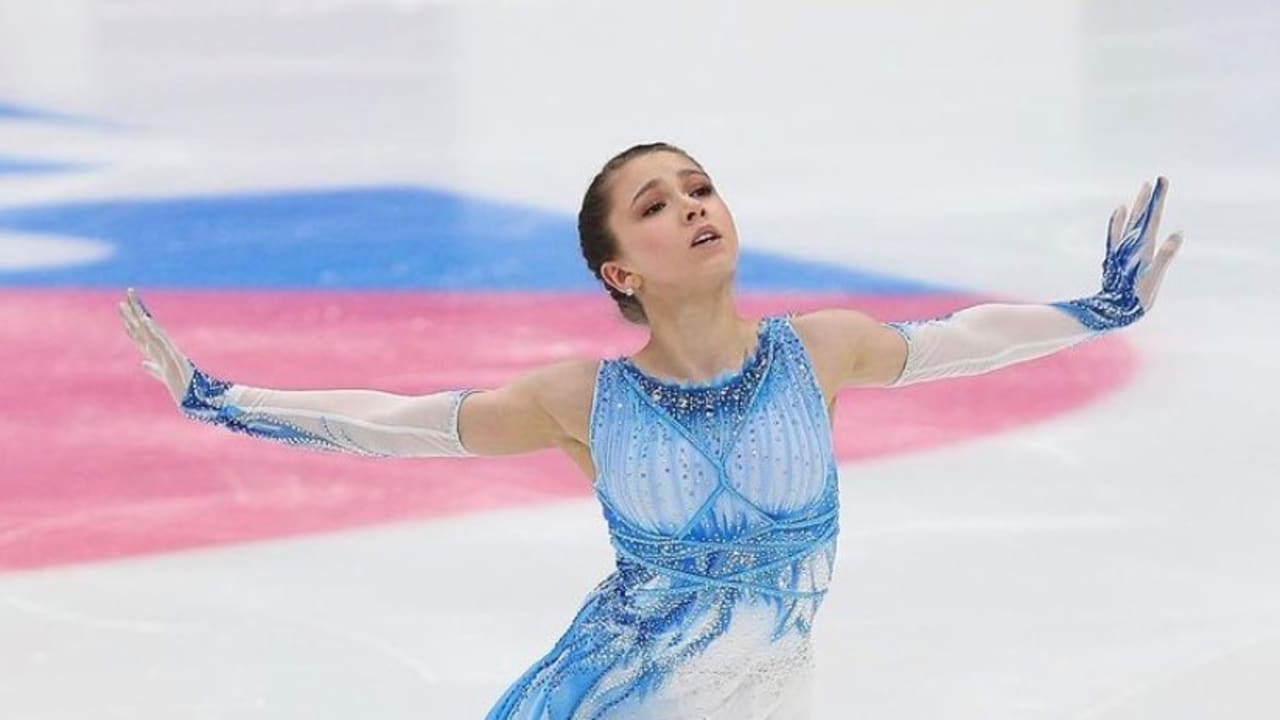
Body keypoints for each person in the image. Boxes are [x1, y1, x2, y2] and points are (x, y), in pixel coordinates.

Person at [117, 142, 1183, 719]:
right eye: (657, 204)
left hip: (770, 696)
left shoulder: (819, 351)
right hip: (618, 696)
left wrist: (1098, 309)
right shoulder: (584, 399)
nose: (692, 206)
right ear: (619, 272)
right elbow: (408, 425)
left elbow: (961, 341)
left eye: (700, 187)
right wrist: (224, 397)